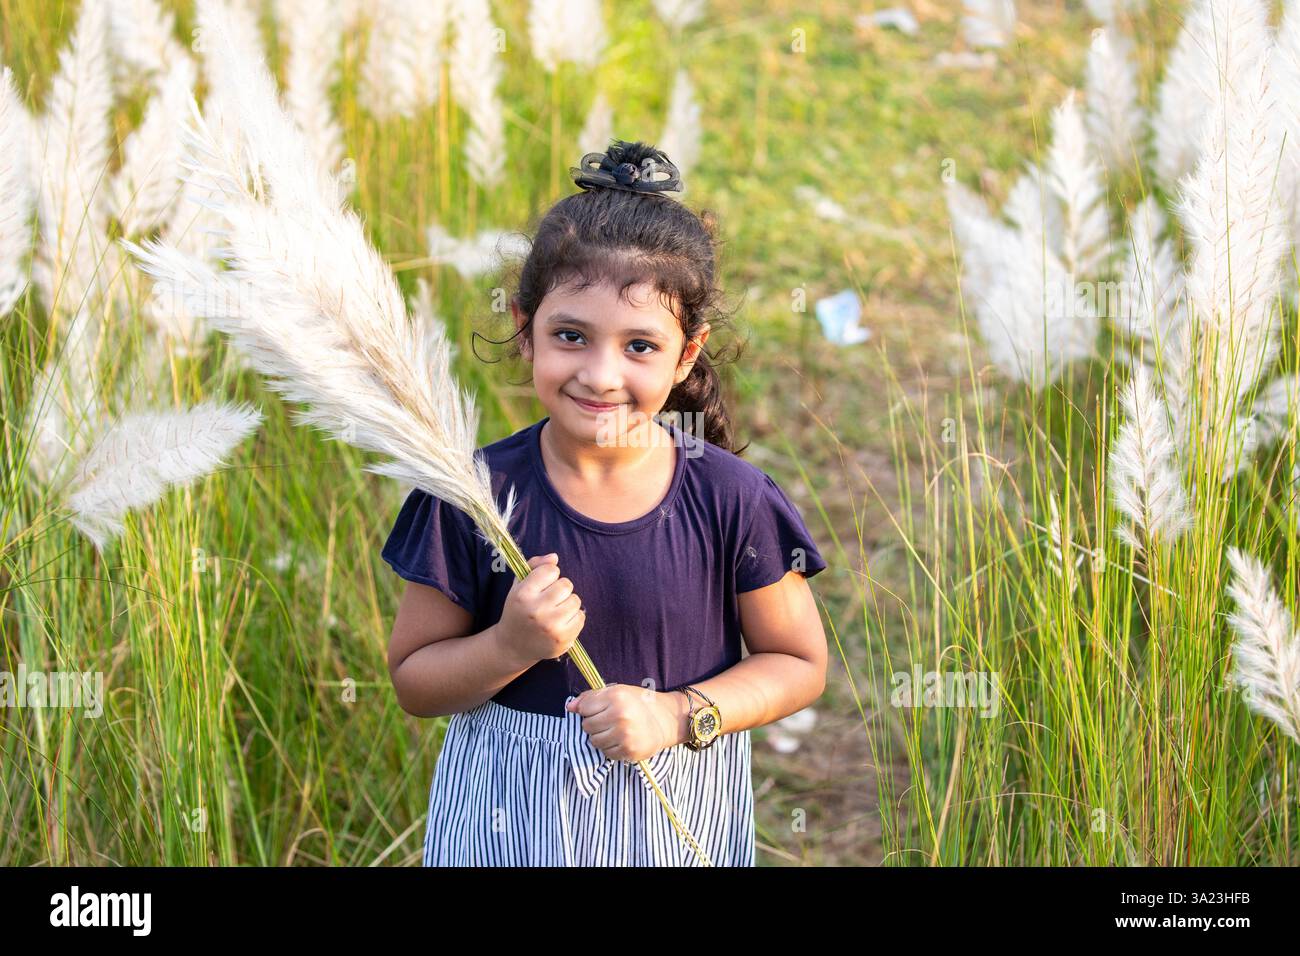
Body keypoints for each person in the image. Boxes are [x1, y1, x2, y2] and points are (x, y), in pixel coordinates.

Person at [382, 139, 828, 866]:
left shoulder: (730, 498)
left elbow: (798, 663)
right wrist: (508, 646)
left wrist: (677, 714)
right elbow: (415, 682)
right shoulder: (471, 494)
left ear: (688, 353)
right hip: (505, 828)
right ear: (525, 331)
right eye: (570, 336)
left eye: (640, 347)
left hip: (673, 817)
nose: (600, 374)